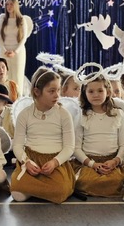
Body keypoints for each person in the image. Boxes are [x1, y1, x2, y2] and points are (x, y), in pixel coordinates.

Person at [10, 67, 75, 203]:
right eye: (51, 91)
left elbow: (69, 147)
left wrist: (55, 162)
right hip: (31, 160)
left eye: (58, 90)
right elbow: (17, 145)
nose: (57, 95)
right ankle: (40, 190)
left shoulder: (64, 114)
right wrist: (26, 161)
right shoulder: (25, 114)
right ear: (37, 92)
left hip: (55, 161)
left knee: (60, 191)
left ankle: (33, 190)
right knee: (16, 194)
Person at [74, 70, 124, 197]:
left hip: (111, 162)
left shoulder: (118, 114)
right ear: (85, 93)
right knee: (86, 181)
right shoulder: (82, 115)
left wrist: (115, 161)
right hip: (89, 162)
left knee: (116, 180)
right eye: (91, 91)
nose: (96, 95)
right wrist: (92, 164)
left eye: (100, 91)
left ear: (107, 92)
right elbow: (75, 147)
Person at [0, 0, 31, 95]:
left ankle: (17, 98)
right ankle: (6, 98)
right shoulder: (2, 19)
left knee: (17, 76)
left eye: (11, 4)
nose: (9, 6)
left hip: (18, 52)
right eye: (7, 4)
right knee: (5, 76)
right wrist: (4, 50)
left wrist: (15, 52)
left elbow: (23, 38)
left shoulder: (21, 20)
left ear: (16, 6)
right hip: (4, 51)